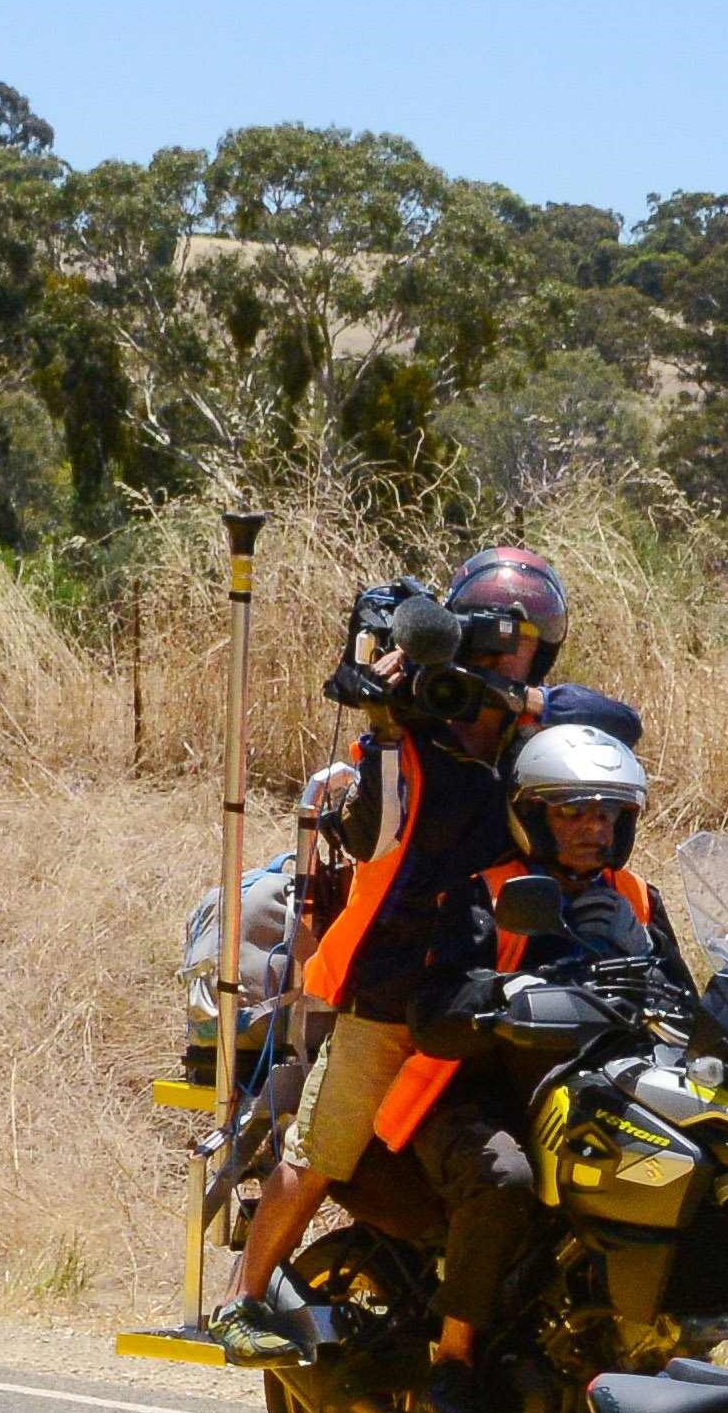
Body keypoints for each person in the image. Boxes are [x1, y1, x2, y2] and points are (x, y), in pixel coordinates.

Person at [203, 546, 576, 1350]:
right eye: (500, 641)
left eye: (527, 645)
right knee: (319, 1151)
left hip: (489, 989)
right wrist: (383, 715)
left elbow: (617, 727)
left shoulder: (536, 734)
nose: (512, 657)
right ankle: (241, 1299)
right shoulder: (406, 739)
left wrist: (526, 701)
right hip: (388, 990)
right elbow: (374, 831)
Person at [398, 715, 700, 1413]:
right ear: (532, 813)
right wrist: (499, 999)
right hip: (477, 1094)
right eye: (572, 812)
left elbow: (685, 1000)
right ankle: (455, 1358)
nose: (593, 829)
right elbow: (432, 1006)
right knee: (505, 1178)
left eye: (607, 813)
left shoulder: (636, 899)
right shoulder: (488, 893)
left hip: (600, 1091)